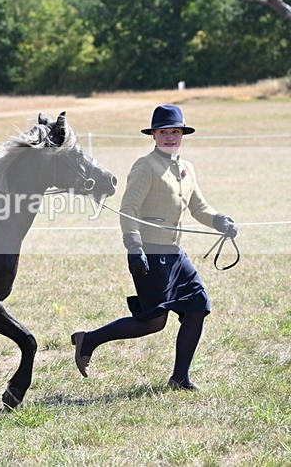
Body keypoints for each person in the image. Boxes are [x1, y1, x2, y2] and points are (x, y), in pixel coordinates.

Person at [71, 105, 238, 390]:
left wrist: (220, 220)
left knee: (198, 305)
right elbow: (128, 209)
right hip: (149, 253)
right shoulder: (145, 166)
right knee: (153, 322)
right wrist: (134, 247)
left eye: (175, 131)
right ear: (154, 135)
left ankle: (180, 378)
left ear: (182, 134)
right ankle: (90, 339)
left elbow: (199, 207)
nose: (170, 137)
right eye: (164, 132)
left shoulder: (186, 168)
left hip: (175, 255)